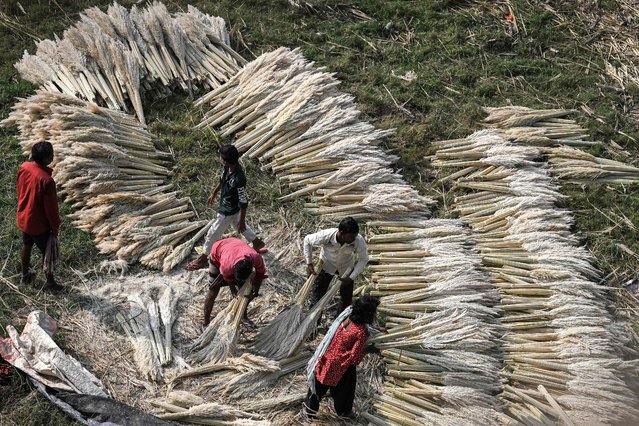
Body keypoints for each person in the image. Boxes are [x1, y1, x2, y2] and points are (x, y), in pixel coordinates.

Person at [187, 145, 264, 271]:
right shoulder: (227, 168)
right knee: (238, 224)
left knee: (213, 233)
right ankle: (256, 242)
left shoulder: (239, 179)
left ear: (225, 160)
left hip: (228, 210)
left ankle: (203, 257)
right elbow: (222, 180)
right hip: (227, 205)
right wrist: (214, 193)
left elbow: (243, 201)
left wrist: (243, 219)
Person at [303, 296, 380, 419]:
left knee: (317, 386)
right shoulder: (362, 332)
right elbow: (354, 357)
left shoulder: (347, 316)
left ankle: (309, 411)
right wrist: (370, 349)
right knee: (345, 389)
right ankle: (345, 412)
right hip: (341, 364)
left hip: (327, 357)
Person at [16, 141, 62, 291]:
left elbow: (20, 188)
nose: (53, 156)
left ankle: (25, 275)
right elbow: (51, 210)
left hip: (24, 217)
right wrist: (55, 228)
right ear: (46, 159)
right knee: (46, 252)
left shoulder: (24, 167)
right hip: (38, 224)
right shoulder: (47, 181)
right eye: (52, 155)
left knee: (27, 245)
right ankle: (50, 283)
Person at [303, 217, 368, 312]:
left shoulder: (358, 239)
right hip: (326, 266)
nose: (353, 239)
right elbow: (307, 240)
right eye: (351, 237)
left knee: (346, 301)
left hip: (346, 270)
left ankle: (339, 324)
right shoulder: (327, 235)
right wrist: (309, 263)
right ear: (341, 233)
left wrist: (351, 278)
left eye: (355, 236)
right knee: (317, 297)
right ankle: (314, 322)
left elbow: (364, 259)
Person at [203, 237, 267, 327]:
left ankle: (243, 316)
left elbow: (260, 275)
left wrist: (255, 292)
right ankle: (206, 323)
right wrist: (233, 290)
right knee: (213, 290)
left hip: (235, 246)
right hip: (218, 251)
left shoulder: (256, 258)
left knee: (244, 292)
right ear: (234, 271)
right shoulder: (226, 267)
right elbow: (228, 278)